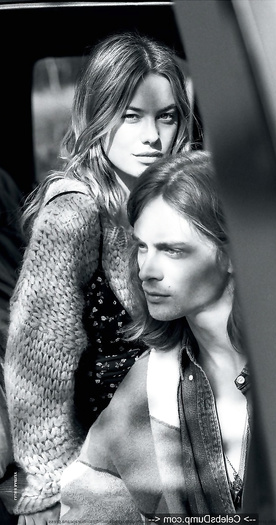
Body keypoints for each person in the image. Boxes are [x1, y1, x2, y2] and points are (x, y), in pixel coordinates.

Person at [3, 31, 193, 523]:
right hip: (97, 474)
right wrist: (46, 490)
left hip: (170, 454)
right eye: (131, 116)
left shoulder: (178, 204)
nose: (152, 136)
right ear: (98, 116)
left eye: (166, 116)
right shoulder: (74, 213)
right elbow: (39, 358)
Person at [58, 150, 250, 522]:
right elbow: (89, 499)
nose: (147, 269)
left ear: (231, 255)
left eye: (172, 250)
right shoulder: (147, 385)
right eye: (142, 247)